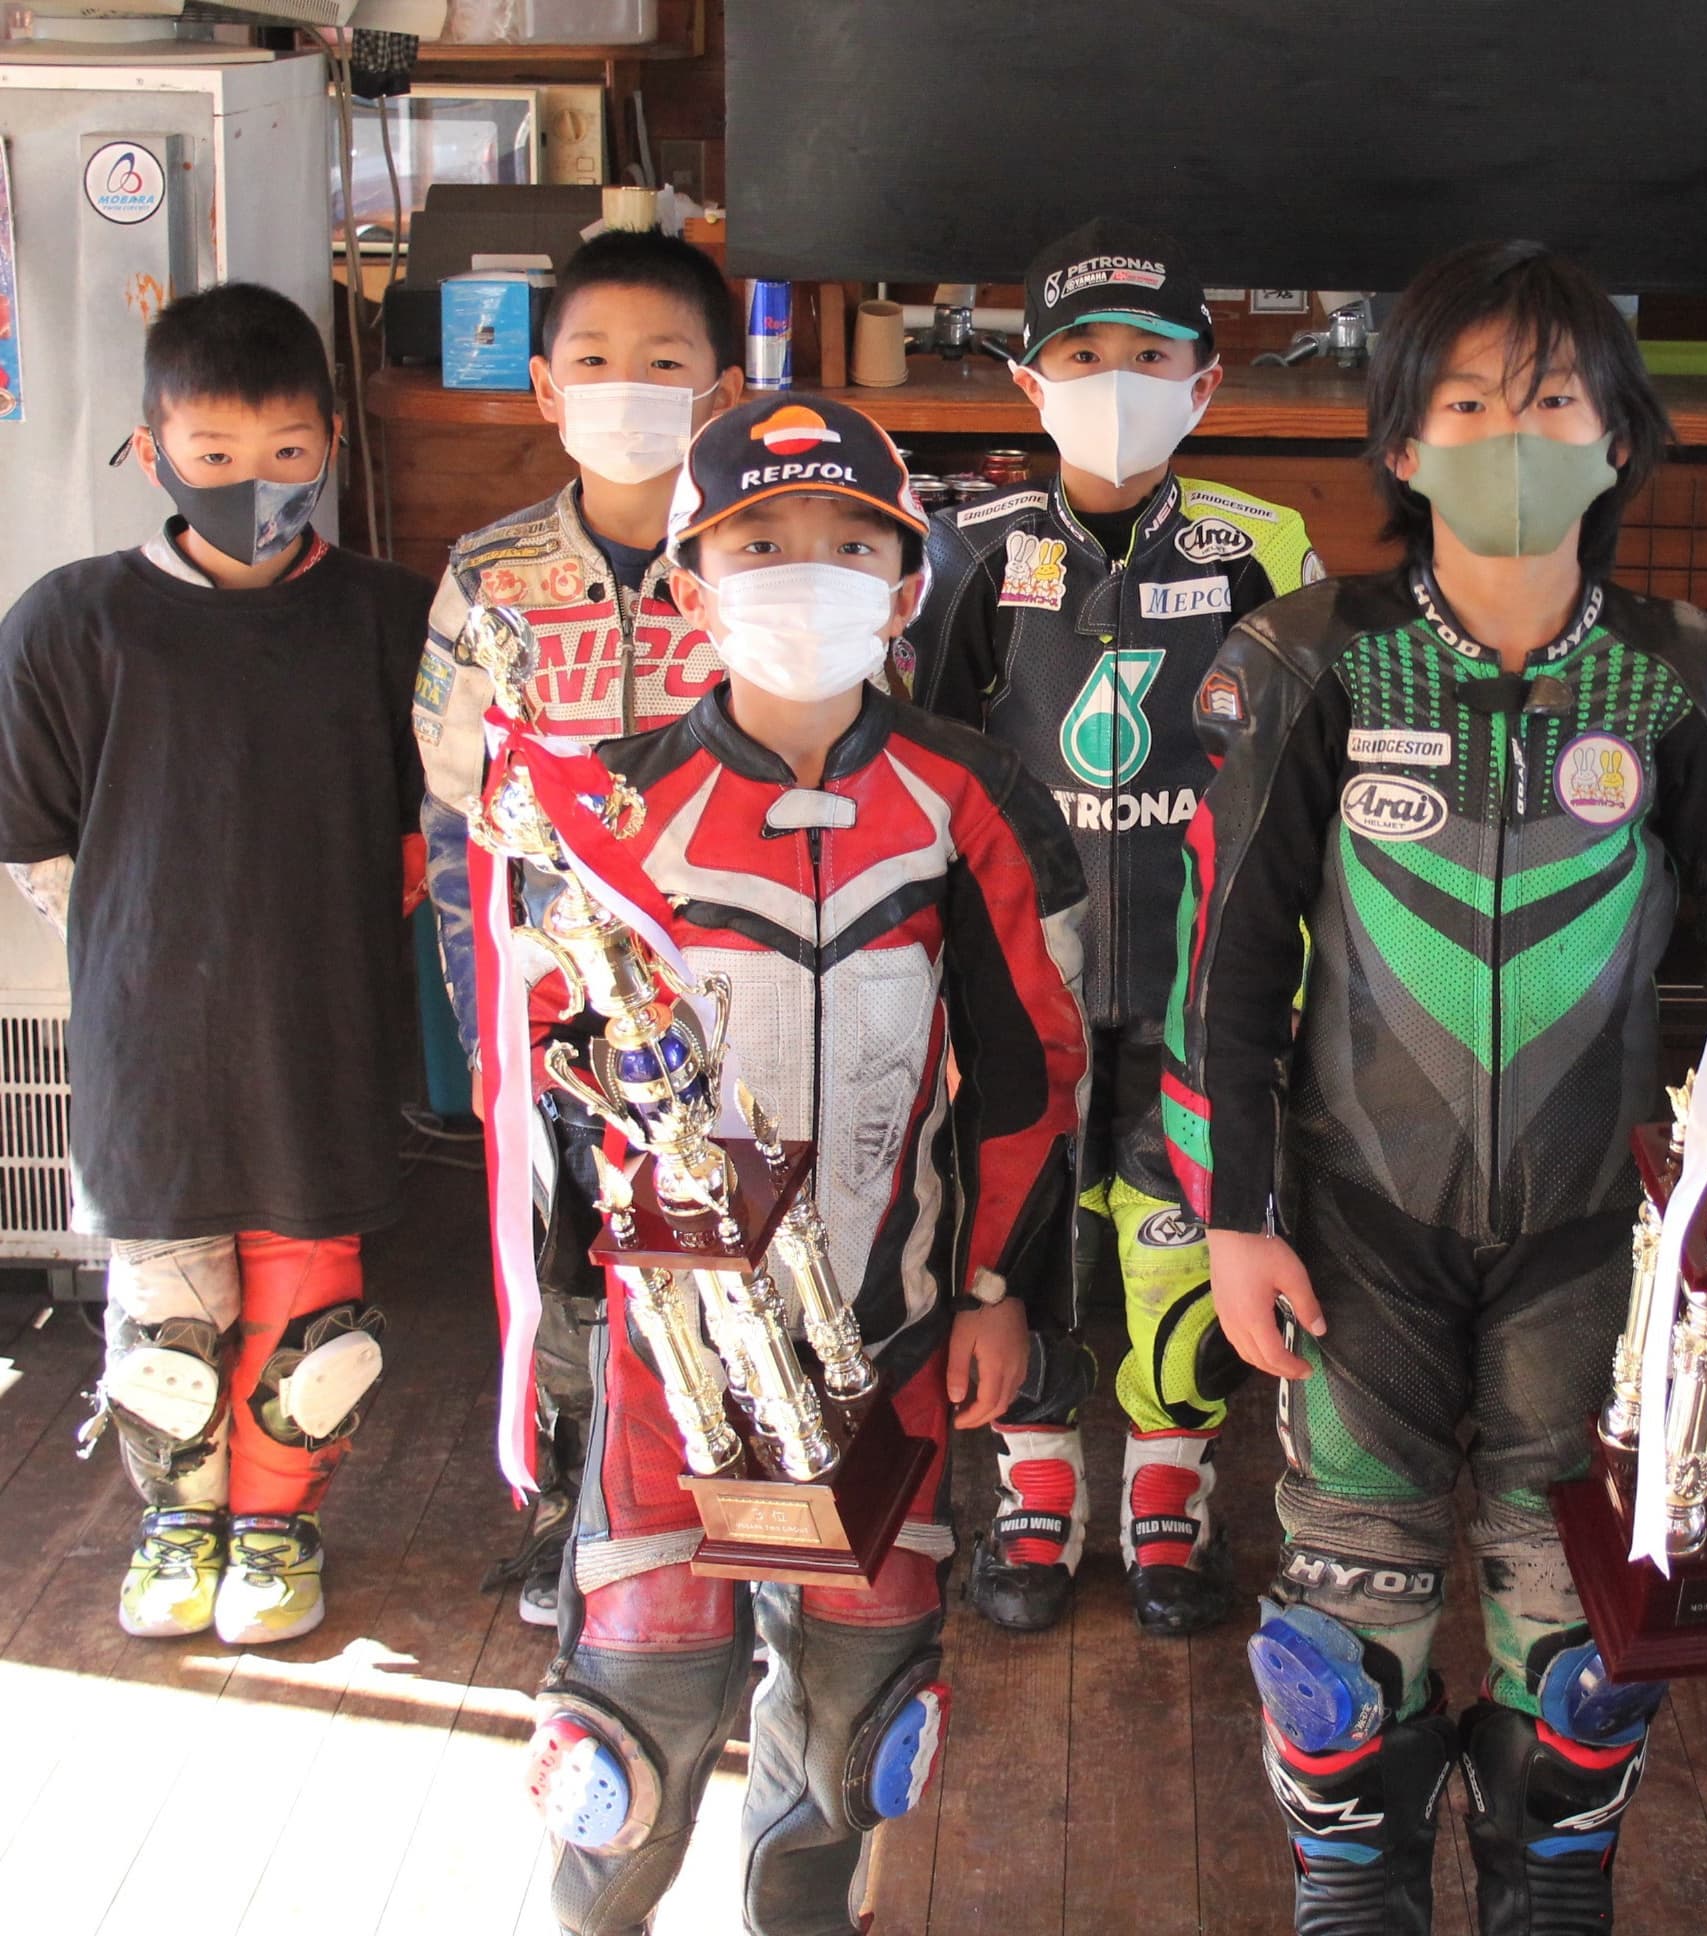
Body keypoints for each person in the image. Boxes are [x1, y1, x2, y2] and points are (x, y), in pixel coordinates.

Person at [1169, 239, 1707, 1935]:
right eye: (1466, 403)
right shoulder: (1309, 658)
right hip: (1353, 1221)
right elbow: (1227, 969)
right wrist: (1234, 1218)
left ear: (1619, 440)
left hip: (1596, 1231)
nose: (1512, 435)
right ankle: (1355, 1879)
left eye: (1553, 401)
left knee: (1578, 1614)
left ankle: (1551, 1877)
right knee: (1341, 1616)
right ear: (1400, 443)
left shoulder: (1689, 674)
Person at [512, 394, 1091, 1933]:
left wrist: (999, 1293)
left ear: (906, 588)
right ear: (690, 584)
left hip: (893, 1340)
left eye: (850, 542)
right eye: (759, 542)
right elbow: (558, 1093)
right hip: (669, 1359)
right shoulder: (612, 807)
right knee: (632, 1723)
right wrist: (566, 1330)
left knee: (859, 1722)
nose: (805, 571)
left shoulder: (973, 796)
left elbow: (1032, 1073)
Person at [909, 218, 1321, 1638]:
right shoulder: (970, 550)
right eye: (1083, 355)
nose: (1117, 381)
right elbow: (931, 764)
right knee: (1015, 1218)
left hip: (1201, 968)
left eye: (1150, 356)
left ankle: (1167, 1486)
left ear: (1204, 385)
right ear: (1030, 383)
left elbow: (1298, 765)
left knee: (1174, 1229)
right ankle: (1033, 1482)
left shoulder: (1261, 547)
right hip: (1023, 976)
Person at [0, 284, 429, 1643]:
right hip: (146, 1040)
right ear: (154, 452)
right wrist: (140, 947)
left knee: (312, 1322)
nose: (256, 482)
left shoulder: (392, 620)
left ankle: (279, 1527)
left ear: (333, 445)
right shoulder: (71, 622)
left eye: (289, 451)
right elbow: (32, 831)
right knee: (166, 1321)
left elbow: (435, 827)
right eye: (216, 453)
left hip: (323, 1025)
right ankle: (177, 1524)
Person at [412, 228, 745, 1626]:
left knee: (720, 1230)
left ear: (723, 389)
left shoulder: (757, 557)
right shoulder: (490, 573)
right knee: (566, 1252)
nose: (628, 388)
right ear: (545, 387)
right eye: (596, 361)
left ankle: (723, 1494)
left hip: (728, 981)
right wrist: (481, 996)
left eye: (664, 363)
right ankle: (573, 1501)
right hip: (552, 992)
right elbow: (454, 807)